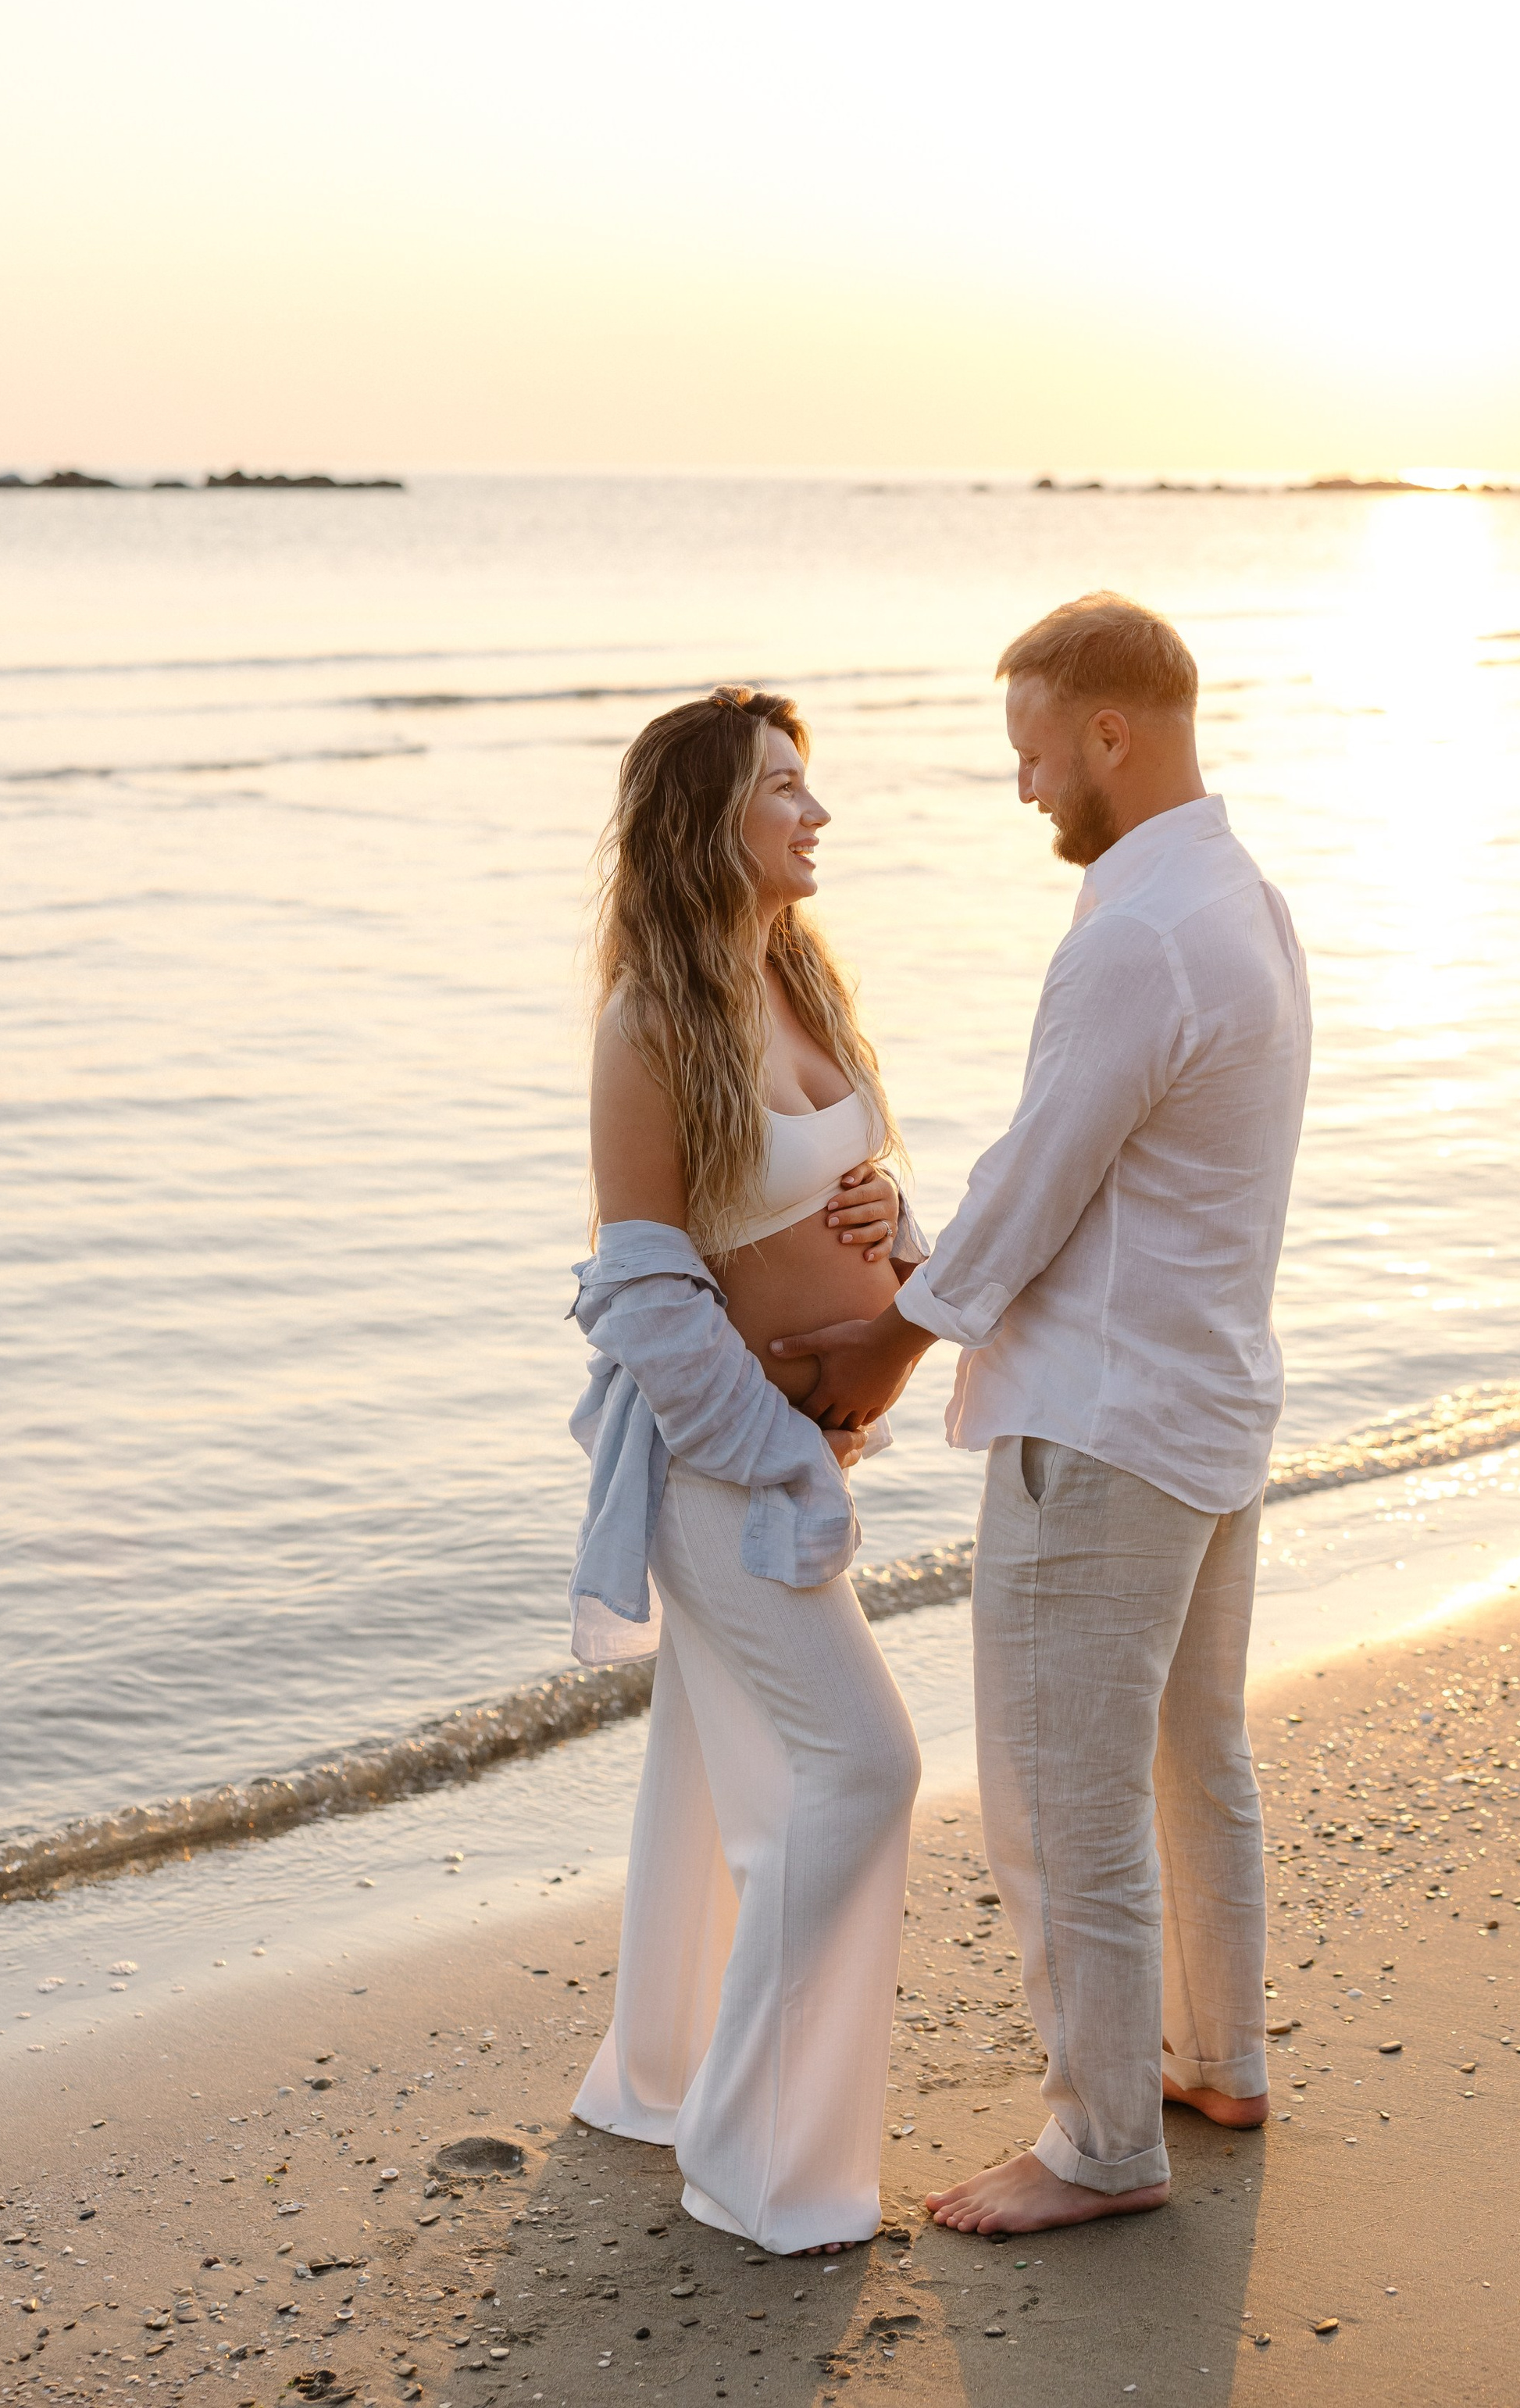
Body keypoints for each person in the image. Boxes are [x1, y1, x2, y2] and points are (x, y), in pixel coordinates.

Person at [775, 592, 1311, 2236]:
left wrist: (887, 1342)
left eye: (1028, 751)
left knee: (1058, 1794)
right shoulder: (1239, 899)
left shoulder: (1137, 931)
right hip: (1201, 1398)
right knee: (1185, 1759)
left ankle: (1097, 2141)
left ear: (1106, 733)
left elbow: (1051, 1172)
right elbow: (1107, 1182)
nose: (1020, 788)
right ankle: (1214, 2057)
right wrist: (932, 1246)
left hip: (1105, 1430)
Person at [566, 685, 925, 2256]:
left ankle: (652, 2081)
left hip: (797, 1438)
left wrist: (890, 1240)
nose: (817, 811)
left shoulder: (799, 978)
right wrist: (787, 1451)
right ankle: (750, 2152)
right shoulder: (648, 1027)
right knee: (863, 1765)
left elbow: (851, 1189)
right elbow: (644, 1295)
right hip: (722, 1471)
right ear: (710, 820)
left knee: (712, 1770)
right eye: (785, 786)